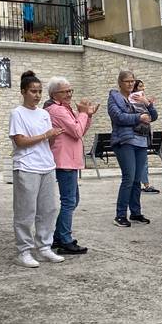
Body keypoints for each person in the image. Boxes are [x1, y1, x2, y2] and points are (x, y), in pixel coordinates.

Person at [9, 71, 66, 268]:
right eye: (33, 91)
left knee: (48, 209)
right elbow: (20, 141)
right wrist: (45, 135)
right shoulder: (17, 113)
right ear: (23, 91)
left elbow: (48, 142)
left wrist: (53, 136)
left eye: (40, 91)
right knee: (25, 210)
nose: (37, 95)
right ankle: (23, 251)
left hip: (46, 165)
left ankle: (44, 247)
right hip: (26, 166)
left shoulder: (44, 114)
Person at [45, 76, 98, 255]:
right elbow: (76, 132)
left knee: (72, 200)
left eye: (70, 91)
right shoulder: (57, 110)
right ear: (54, 94)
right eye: (65, 91)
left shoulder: (63, 108)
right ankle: (64, 239)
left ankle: (58, 236)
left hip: (70, 159)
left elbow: (80, 129)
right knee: (69, 201)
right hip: (64, 160)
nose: (69, 94)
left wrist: (87, 115)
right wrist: (83, 113)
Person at [108, 70, 157, 227]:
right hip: (125, 140)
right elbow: (118, 117)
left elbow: (154, 116)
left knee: (137, 179)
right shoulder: (114, 98)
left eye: (132, 81)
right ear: (120, 83)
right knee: (128, 178)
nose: (130, 84)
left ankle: (136, 212)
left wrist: (147, 103)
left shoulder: (138, 97)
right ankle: (120, 214)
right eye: (127, 81)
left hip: (142, 141)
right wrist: (138, 117)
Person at [130, 79, 160, 194]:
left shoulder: (142, 99)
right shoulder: (136, 98)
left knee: (142, 162)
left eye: (143, 86)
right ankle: (145, 184)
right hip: (139, 134)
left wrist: (148, 103)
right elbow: (151, 116)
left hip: (144, 134)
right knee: (142, 162)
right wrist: (147, 103)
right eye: (140, 86)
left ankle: (143, 183)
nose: (143, 89)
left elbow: (153, 115)